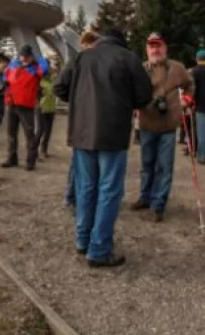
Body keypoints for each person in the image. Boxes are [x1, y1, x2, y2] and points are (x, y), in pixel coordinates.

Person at [54, 27, 152, 267]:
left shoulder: (81, 57)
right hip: (113, 133)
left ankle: (83, 239)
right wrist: (123, 101)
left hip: (82, 132)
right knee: (109, 191)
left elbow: (59, 87)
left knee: (85, 187)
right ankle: (98, 249)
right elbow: (144, 96)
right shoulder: (129, 58)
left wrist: (81, 101)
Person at [131, 32, 194, 222]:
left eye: (158, 46)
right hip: (147, 124)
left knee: (165, 167)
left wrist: (186, 99)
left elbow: (190, 84)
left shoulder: (177, 68)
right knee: (147, 165)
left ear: (165, 48)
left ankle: (158, 204)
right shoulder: (141, 69)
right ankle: (145, 197)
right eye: (151, 46)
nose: (155, 50)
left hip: (168, 125)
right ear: (147, 49)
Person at [64, 30, 100, 208]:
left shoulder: (83, 62)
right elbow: (60, 86)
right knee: (78, 162)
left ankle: (77, 196)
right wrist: (75, 99)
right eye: (91, 44)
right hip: (83, 119)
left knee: (83, 161)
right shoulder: (77, 61)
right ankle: (71, 196)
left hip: (88, 118)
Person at [1, 45, 49, 171]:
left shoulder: (36, 69)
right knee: (11, 133)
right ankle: (12, 158)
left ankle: (30, 161)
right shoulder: (14, 65)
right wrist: (5, 80)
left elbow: (45, 67)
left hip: (26, 106)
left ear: (31, 57)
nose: (25, 59)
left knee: (30, 135)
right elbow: (5, 74)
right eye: (23, 56)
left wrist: (37, 57)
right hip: (12, 103)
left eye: (27, 56)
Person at [36, 62, 59, 158]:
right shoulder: (39, 80)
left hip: (51, 108)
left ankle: (44, 150)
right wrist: (38, 102)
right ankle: (34, 151)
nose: (51, 68)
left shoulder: (53, 79)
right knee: (41, 129)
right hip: (42, 108)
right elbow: (36, 94)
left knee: (48, 131)